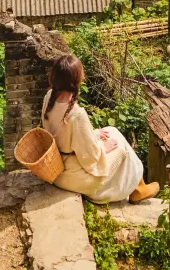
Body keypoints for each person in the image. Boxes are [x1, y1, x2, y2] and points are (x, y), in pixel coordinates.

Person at [41, 54, 159, 204]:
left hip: (57, 168)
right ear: (77, 80)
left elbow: (64, 135)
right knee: (120, 147)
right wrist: (105, 148)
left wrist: (94, 134)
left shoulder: (48, 97)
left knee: (111, 131)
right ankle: (135, 189)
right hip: (74, 176)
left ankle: (137, 187)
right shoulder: (77, 114)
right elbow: (90, 158)